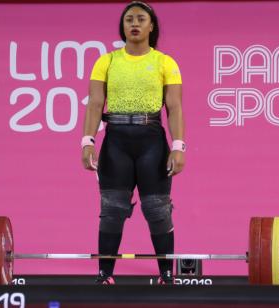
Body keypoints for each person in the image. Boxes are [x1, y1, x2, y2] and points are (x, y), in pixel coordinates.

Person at [81, 1, 185, 285]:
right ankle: (105, 275)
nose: (135, 24)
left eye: (141, 19)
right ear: (123, 26)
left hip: (151, 139)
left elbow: (174, 108)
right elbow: (95, 104)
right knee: (112, 209)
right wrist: (87, 141)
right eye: (129, 20)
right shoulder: (107, 61)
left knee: (157, 209)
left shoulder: (165, 62)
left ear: (152, 26)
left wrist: (178, 147)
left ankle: (166, 275)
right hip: (115, 140)